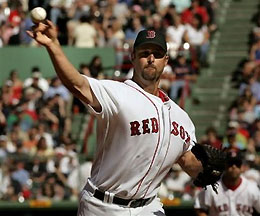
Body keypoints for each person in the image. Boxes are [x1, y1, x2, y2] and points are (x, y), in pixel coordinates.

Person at [27, 21, 207, 216]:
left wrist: (210, 171)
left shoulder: (181, 117)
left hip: (148, 207)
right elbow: (77, 83)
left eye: (156, 54)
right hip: (102, 206)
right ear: (133, 58)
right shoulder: (116, 93)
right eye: (144, 53)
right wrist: (53, 45)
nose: (150, 58)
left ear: (166, 60)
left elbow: (188, 162)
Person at [194, 150, 260, 216]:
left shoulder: (252, 188)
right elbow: (200, 208)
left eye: (237, 163)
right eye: (230, 163)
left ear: (242, 167)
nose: (234, 166)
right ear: (224, 166)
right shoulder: (211, 187)